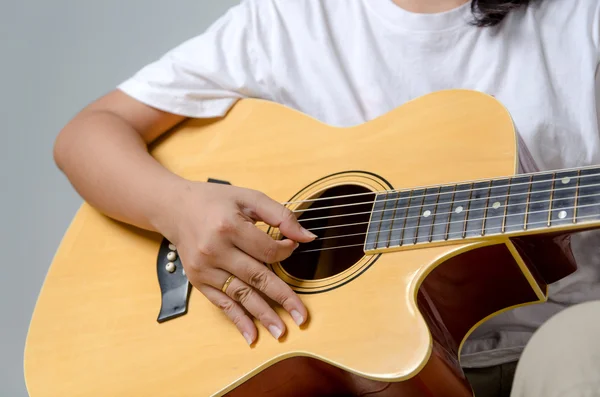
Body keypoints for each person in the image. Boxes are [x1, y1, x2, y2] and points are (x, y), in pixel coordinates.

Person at [52, 0, 600, 395]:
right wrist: (179, 208)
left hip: (555, 351)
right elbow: (87, 134)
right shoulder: (286, 22)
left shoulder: (582, 22)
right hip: (363, 373)